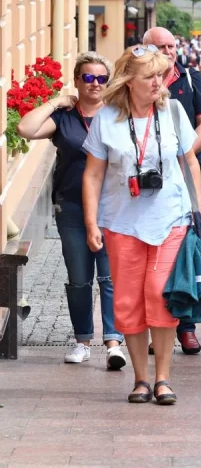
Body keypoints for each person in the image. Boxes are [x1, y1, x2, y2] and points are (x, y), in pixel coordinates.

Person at [82, 44, 201, 404]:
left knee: (159, 294)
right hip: (121, 223)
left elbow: (190, 162)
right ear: (128, 81)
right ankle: (141, 379)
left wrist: (198, 211)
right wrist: (91, 222)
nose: (158, 82)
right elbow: (93, 175)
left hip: (171, 219)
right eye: (149, 76)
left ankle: (163, 378)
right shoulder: (107, 118)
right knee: (128, 301)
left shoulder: (172, 112)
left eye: (160, 75)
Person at [17, 52, 126, 370]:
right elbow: (25, 128)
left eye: (102, 78)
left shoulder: (117, 115)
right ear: (77, 80)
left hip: (112, 208)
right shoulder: (65, 118)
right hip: (72, 208)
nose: (95, 84)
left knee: (110, 277)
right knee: (79, 278)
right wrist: (56, 102)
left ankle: (114, 343)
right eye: (88, 77)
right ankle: (82, 342)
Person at [143, 27, 201, 354]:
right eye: (162, 46)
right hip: (148, 175)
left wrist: (182, 153)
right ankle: (155, 327)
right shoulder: (138, 81)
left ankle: (186, 327)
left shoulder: (190, 78)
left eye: (172, 46)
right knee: (152, 255)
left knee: (185, 249)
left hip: (186, 171)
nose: (170, 51)